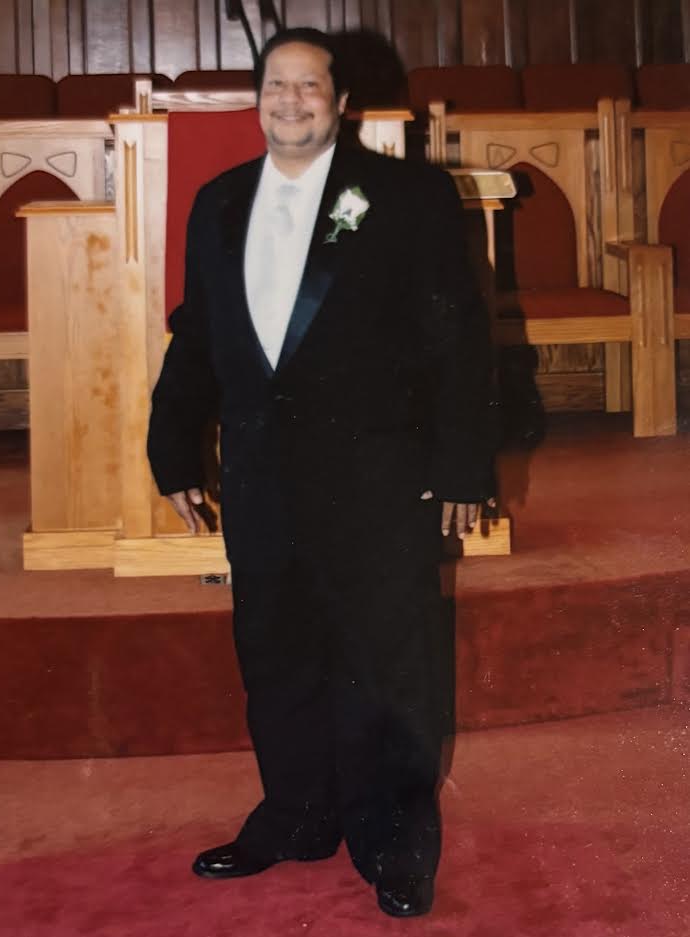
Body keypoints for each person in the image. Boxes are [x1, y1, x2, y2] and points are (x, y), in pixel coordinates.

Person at [147, 27, 495, 918]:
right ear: (257, 99)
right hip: (262, 477)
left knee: (388, 664)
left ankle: (395, 842)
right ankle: (297, 815)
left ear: (342, 103)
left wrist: (463, 464)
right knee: (277, 654)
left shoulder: (407, 196)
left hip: (379, 476)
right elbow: (198, 333)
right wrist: (172, 446)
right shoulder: (219, 202)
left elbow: (457, 340)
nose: (291, 100)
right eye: (277, 84)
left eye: (310, 86)